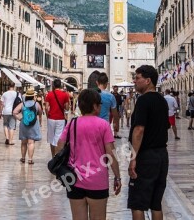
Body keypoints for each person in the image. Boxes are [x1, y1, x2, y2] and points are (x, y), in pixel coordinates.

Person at [56, 89, 122, 220]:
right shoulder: (103, 125)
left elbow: (59, 146)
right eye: (99, 104)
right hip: (97, 180)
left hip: (74, 179)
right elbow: (111, 153)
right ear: (95, 106)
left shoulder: (72, 123)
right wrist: (117, 177)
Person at [127, 65, 169, 220]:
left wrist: (133, 158)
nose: (134, 81)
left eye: (137, 78)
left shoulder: (143, 100)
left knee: (137, 202)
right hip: (161, 155)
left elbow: (139, 130)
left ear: (148, 80)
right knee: (155, 203)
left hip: (146, 156)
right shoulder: (162, 100)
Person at [14, 86, 42, 164]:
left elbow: (14, 112)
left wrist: (19, 118)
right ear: (33, 96)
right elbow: (40, 114)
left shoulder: (22, 104)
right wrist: (40, 123)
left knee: (23, 142)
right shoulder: (37, 104)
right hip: (33, 124)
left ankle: (23, 158)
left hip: (24, 124)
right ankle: (30, 159)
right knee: (31, 142)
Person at [44, 79, 70, 156]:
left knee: (51, 138)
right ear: (60, 85)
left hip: (51, 118)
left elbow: (46, 107)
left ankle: (53, 156)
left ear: (53, 85)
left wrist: (47, 115)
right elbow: (67, 108)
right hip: (61, 119)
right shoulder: (65, 95)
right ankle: (57, 156)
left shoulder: (49, 94)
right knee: (58, 138)